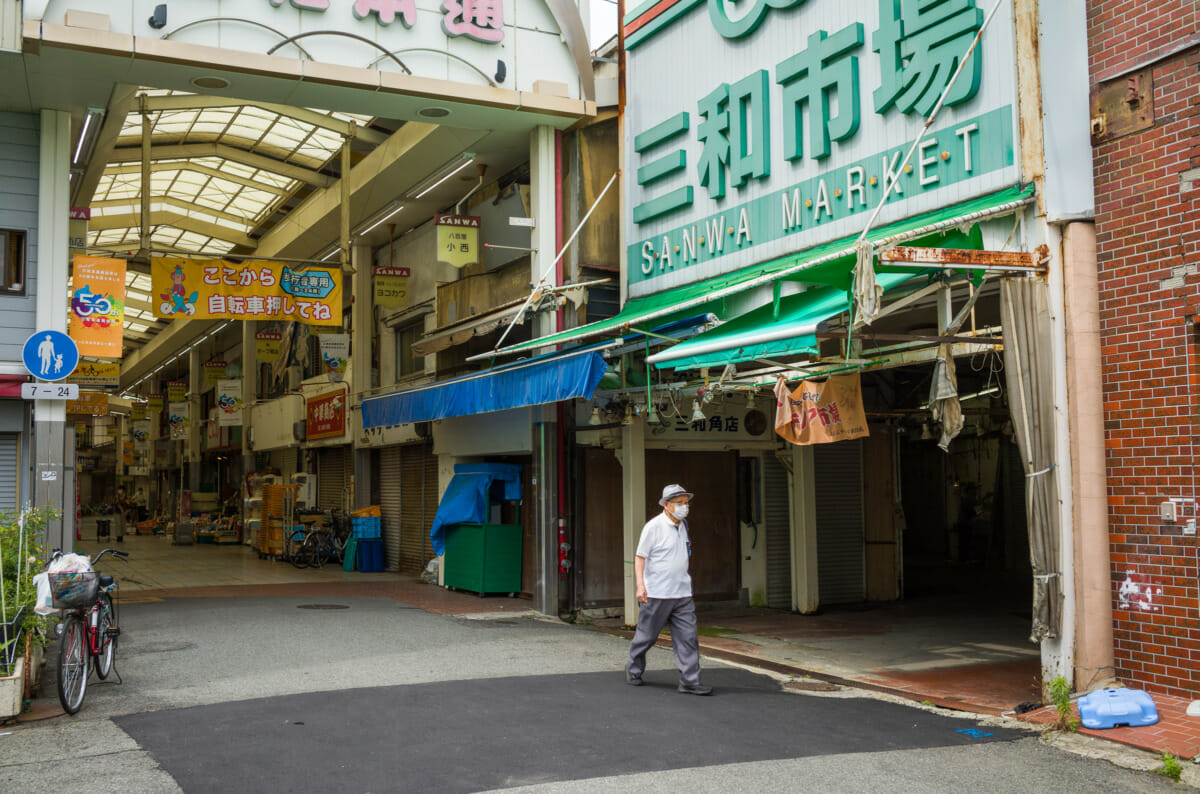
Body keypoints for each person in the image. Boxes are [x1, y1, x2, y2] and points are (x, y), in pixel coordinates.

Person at [625, 484, 712, 695]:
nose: (684, 507)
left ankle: (690, 681)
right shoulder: (653, 527)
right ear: (666, 505)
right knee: (647, 636)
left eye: (686, 503)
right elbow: (640, 557)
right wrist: (640, 586)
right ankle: (633, 669)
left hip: (682, 593)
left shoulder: (684, 526)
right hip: (657, 593)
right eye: (679, 503)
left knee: (688, 637)